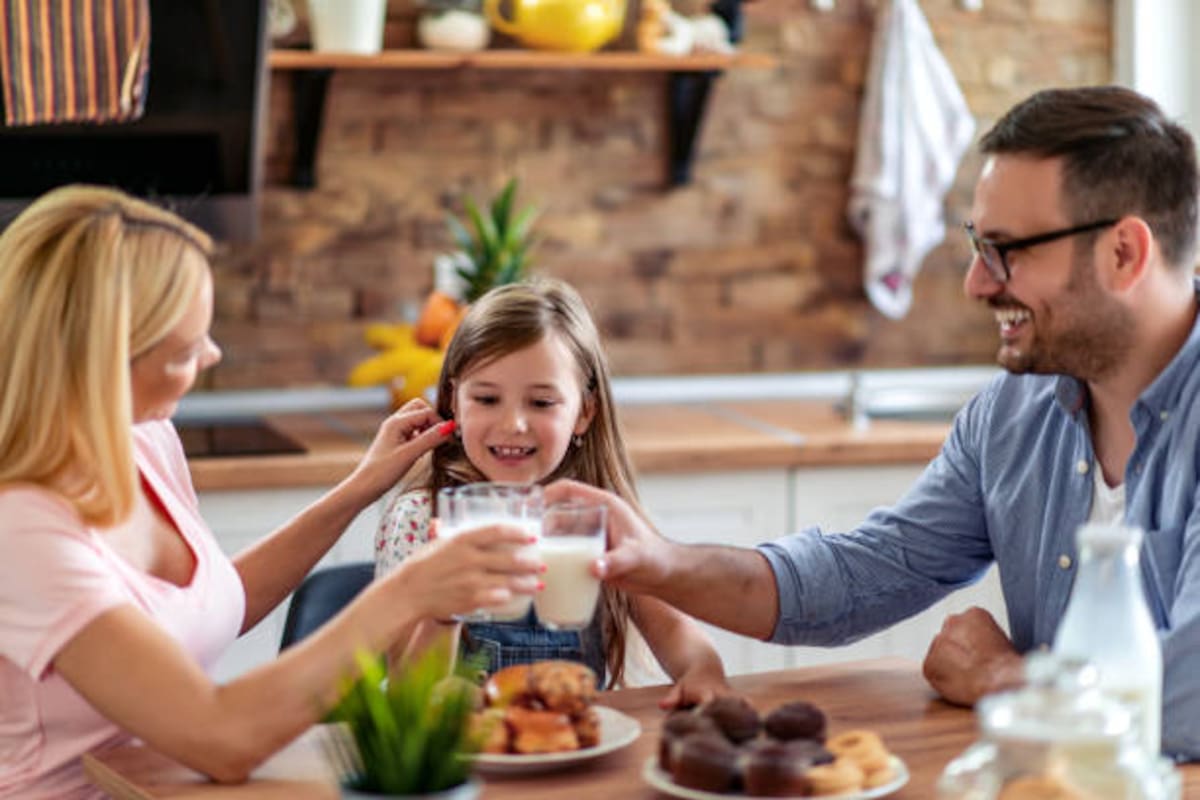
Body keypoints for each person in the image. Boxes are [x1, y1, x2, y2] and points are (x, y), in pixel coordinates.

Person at [545, 85, 1200, 758]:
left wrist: (1007, 678)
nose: (977, 283)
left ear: (1124, 254)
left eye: (1007, 249)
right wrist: (661, 562)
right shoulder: (1013, 415)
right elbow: (863, 575)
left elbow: (1190, 700)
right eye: (980, 245)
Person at [0, 185, 543, 799]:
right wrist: (410, 591)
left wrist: (359, 488)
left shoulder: (142, 439)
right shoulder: (21, 530)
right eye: (185, 348)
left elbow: (211, 602)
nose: (212, 354)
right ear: (101, 358)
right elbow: (222, 737)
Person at [375, 278, 729, 708]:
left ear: (584, 412)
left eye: (541, 403)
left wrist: (703, 672)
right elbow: (404, 695)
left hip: (574, 753)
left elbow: (675, 631)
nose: (513, 424)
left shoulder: (595, 519)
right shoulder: (422, 519)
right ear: (454, 399)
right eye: (487, 398)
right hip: (463, 764)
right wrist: (441, 611)